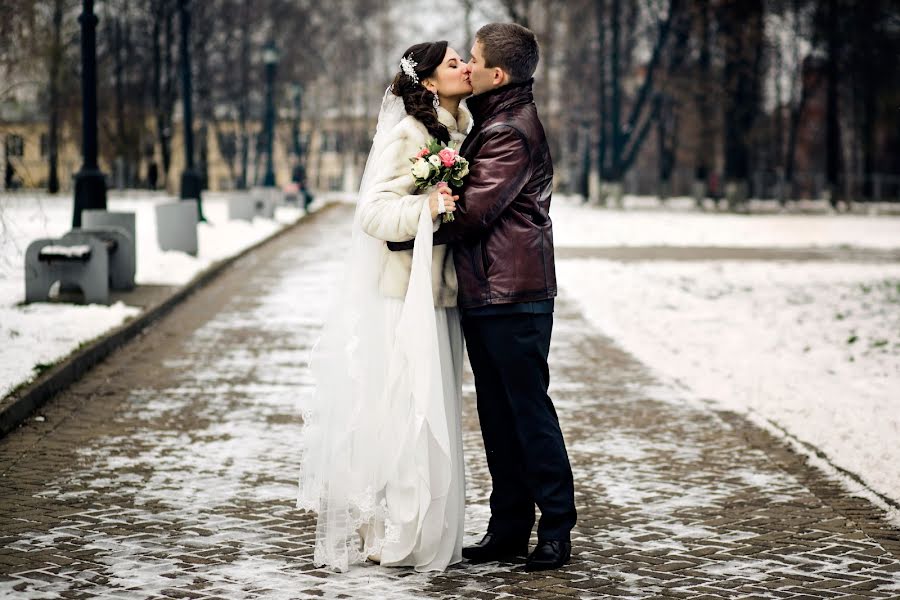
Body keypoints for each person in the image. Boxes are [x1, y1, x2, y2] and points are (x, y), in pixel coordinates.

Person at [389, 22, 577, 572]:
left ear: (497, 74)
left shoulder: (509, 130)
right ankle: (509, 527)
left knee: (529, 413)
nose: (465, 66)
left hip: (513, 293)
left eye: (471, 58)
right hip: (489, 291)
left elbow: (472, 211)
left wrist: (406, 230)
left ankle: (556, 528)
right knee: (497, 416)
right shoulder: (491, 119)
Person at [297, 41, 473, 573]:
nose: (464, 67)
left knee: (437, 408)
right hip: (404, 297)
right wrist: (427, 206)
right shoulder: (409, 135)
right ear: (428, 83)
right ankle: (398, 528)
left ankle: (429, 527)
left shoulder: (457, 131)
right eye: (452, 63)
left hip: (440, 296)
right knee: (407, 407)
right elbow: (373, 213)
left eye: (465, 59)